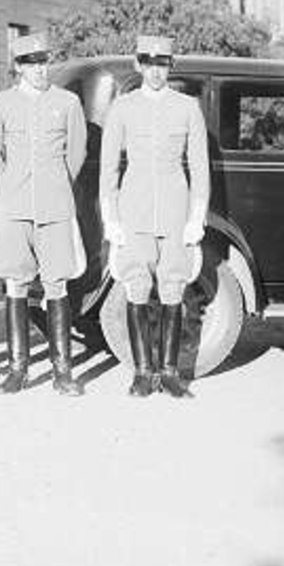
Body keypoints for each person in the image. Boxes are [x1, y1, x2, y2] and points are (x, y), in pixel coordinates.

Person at [99, 35, 208, 399]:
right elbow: (109, 168)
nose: (156, 72)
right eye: (149, 64)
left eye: (162, 65)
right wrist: (112, 218)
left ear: (170, 67)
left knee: (173, 285)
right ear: (139, 65)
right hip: (134, 209)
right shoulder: (123, 108)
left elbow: (199, 167)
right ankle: (143, 372)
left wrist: (196, 216)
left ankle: (171, 373)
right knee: (136, 285)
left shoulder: (187, 107)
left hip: (176, 209)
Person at [0, 32, 88, 396]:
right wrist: (10, 187)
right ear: (18, 67)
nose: (40, 70)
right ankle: (17, 370)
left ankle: (63, 371)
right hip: (14, 208)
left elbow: (76, 153)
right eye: (31, 64)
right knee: (16, 282)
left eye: (44, 62)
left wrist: (56, 184)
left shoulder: (68, 102)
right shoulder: (0, 104)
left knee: (57, 284)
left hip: (56, 206)